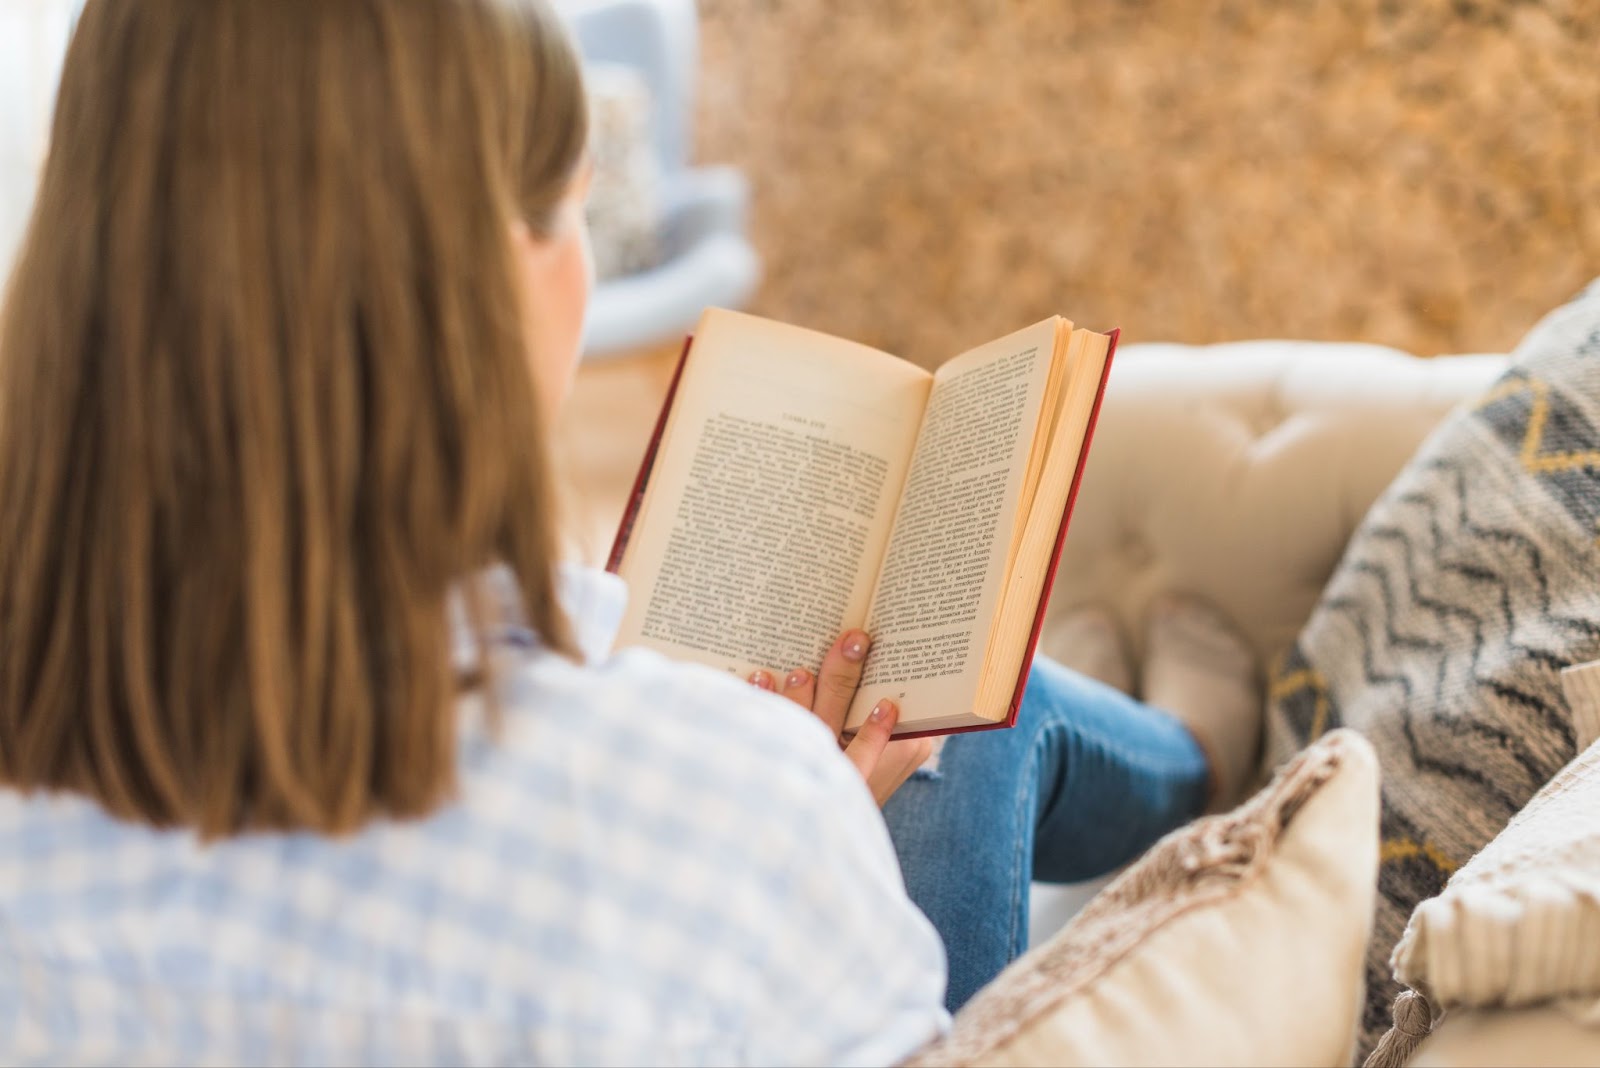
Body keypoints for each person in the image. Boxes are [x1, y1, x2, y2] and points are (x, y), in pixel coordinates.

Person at [0, 1, 1260, 1064]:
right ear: (499, 275)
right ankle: (1210, 763)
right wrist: (798, 811)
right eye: (572, 214)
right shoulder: (709, 808)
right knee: (957, 726)